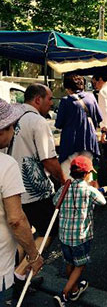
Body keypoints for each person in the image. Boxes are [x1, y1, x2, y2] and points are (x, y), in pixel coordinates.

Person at [7, 84, 67, 297]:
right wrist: (62, 179)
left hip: (10, 187)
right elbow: (49, 160)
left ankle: (17, 278)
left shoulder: (12, 116)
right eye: (49, 99)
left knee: (21, 234)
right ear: (38, 99)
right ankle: (20, 273)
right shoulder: (37, 121)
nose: (52, 103)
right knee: (49, 229)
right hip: (34, 190)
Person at [0, 99, 44, 306]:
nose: (14, 131)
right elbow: (16, 219)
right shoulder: (6, 165)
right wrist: (34, 256)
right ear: (2, 131)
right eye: (12, 127)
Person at [53, 156, 106, 307]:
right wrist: (96, 188)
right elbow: (103, 201)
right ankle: (63, 294)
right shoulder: (88, 190)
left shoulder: (64, 188)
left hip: (64, 235)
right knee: (80, 265)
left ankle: (75, 289)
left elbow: (55, 201)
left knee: (70, 262)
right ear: (87, 174)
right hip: (81, 236)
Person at [55, 74, 103, 177]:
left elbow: (58, 124)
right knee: (86, 173)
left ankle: (70, 192)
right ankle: (85, 192)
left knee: (68, 174)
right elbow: (99, 118)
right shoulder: (91, 97)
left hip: (70, 143)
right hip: (89, 142)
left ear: (68, 88)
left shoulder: (65, 101)